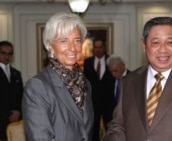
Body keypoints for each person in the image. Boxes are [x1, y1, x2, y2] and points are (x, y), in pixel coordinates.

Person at [22, 12, 94, 141]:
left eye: (77, 40)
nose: (72, 48)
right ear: (50, 45)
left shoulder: (85, 83)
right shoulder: (38, 86)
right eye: (64, 41)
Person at [84, 38, 115, 141]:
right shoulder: (87, 62)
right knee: (94, 129)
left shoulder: (111, 60)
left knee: (111, 128)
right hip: (93, 102)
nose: (98, 50)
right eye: (96, 48)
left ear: (104, 48)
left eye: (100, 47)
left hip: (109, 102)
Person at [0, 41, 24, 141]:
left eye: (9, 54)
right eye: (3, 53)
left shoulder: (16, 73)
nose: (7, 56)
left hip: (16, 120)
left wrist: (18, 112)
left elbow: (21, 95)